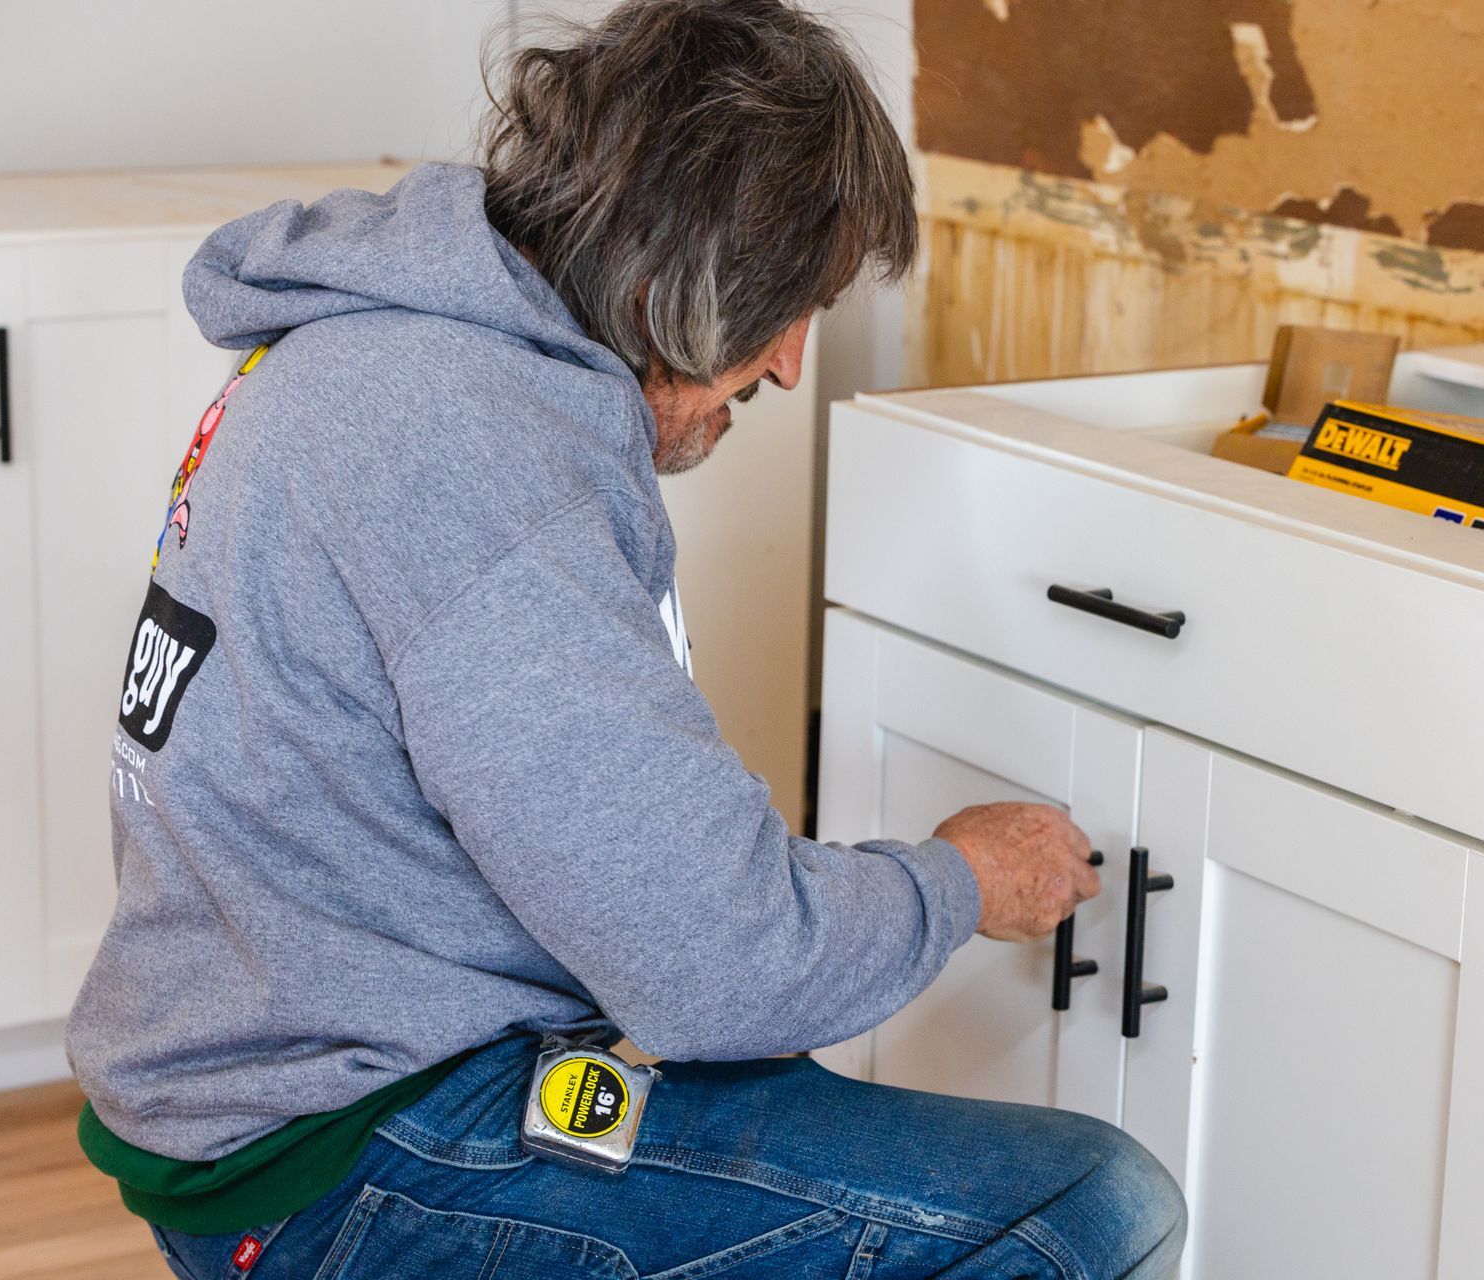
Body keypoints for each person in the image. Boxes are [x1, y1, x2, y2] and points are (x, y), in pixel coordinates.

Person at [68, 2, 1187, 1275]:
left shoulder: (377, 348)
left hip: (284, 1072)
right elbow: (719, 964)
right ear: (671, 285)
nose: (785, 367)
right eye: (784, 313)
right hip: (352, 1152)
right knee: (1092, 1205)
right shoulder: (475, 452)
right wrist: (956, 880)